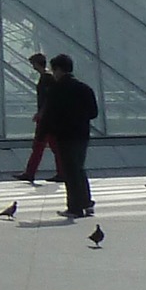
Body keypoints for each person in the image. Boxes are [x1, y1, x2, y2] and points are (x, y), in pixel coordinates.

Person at [38, 54, 100, 218]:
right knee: (79, 168)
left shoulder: (56, 90)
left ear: (58, 69)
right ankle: (86, 202)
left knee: (70, 171)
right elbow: (94, 113)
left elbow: (49, 115)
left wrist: (42, 135)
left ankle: (74, 206)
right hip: (82, 133)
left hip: (65, 134)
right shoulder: (84, 88)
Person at [11, 51, 63, 185]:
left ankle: (30, 173)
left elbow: (48, 98)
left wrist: (41, 112)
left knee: (40, 145)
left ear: (36, 64)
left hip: (46, 119)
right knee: (53, 146)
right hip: (49, 118)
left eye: (33, 64)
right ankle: (60, 172)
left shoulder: (46, 78)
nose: (32, 67)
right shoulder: (48, 77)